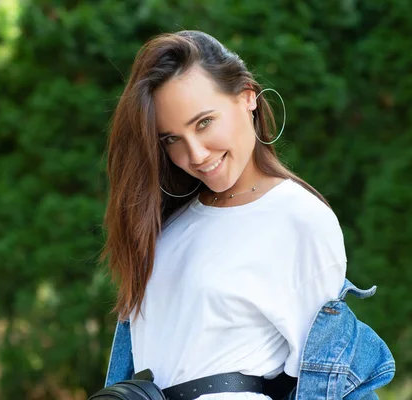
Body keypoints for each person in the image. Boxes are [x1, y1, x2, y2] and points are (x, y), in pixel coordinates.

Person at [99, 31, 394, 399]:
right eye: (171, 139)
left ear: (247, 97)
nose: (196, 154)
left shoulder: (297, 219)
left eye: (204, 122)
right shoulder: (168, 225)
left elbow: (328, 377)